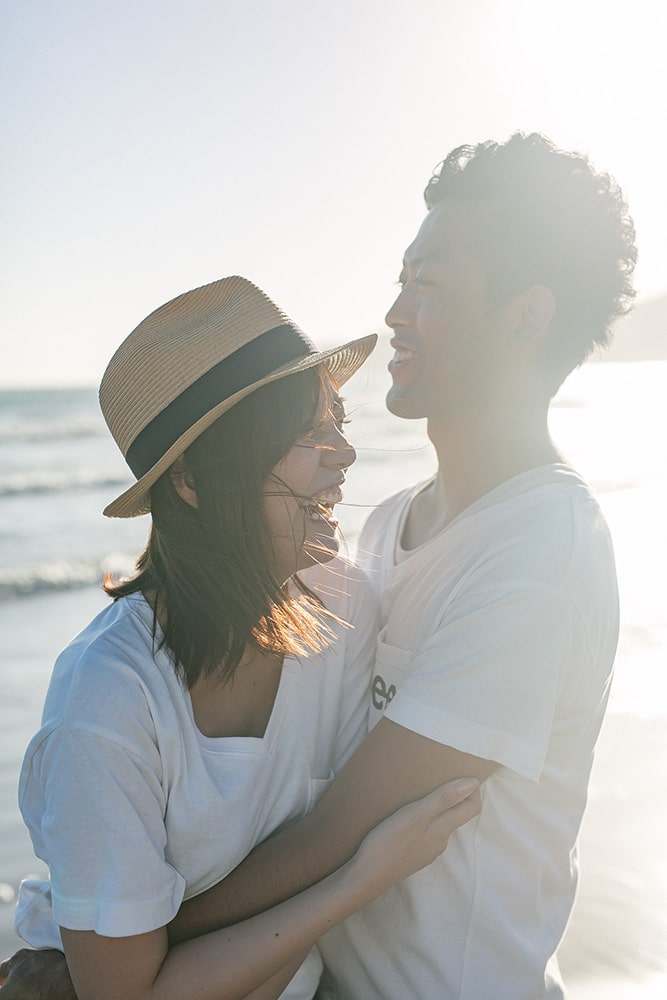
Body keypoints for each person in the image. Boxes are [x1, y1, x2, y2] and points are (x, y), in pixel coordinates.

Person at [125, 133, 635, 999]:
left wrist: (117, 937)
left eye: (427, 285)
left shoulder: (540, 554)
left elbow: (338, 829)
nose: (394, 312)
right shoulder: (396, 520)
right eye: (400, 280)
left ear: (524, 316)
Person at [1, 275, 481, 1000]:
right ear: (191, 479)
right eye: (301, 432)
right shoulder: (106, 703)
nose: (341, 454)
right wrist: (362, 877)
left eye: (337, 421)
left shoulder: (344, 604)